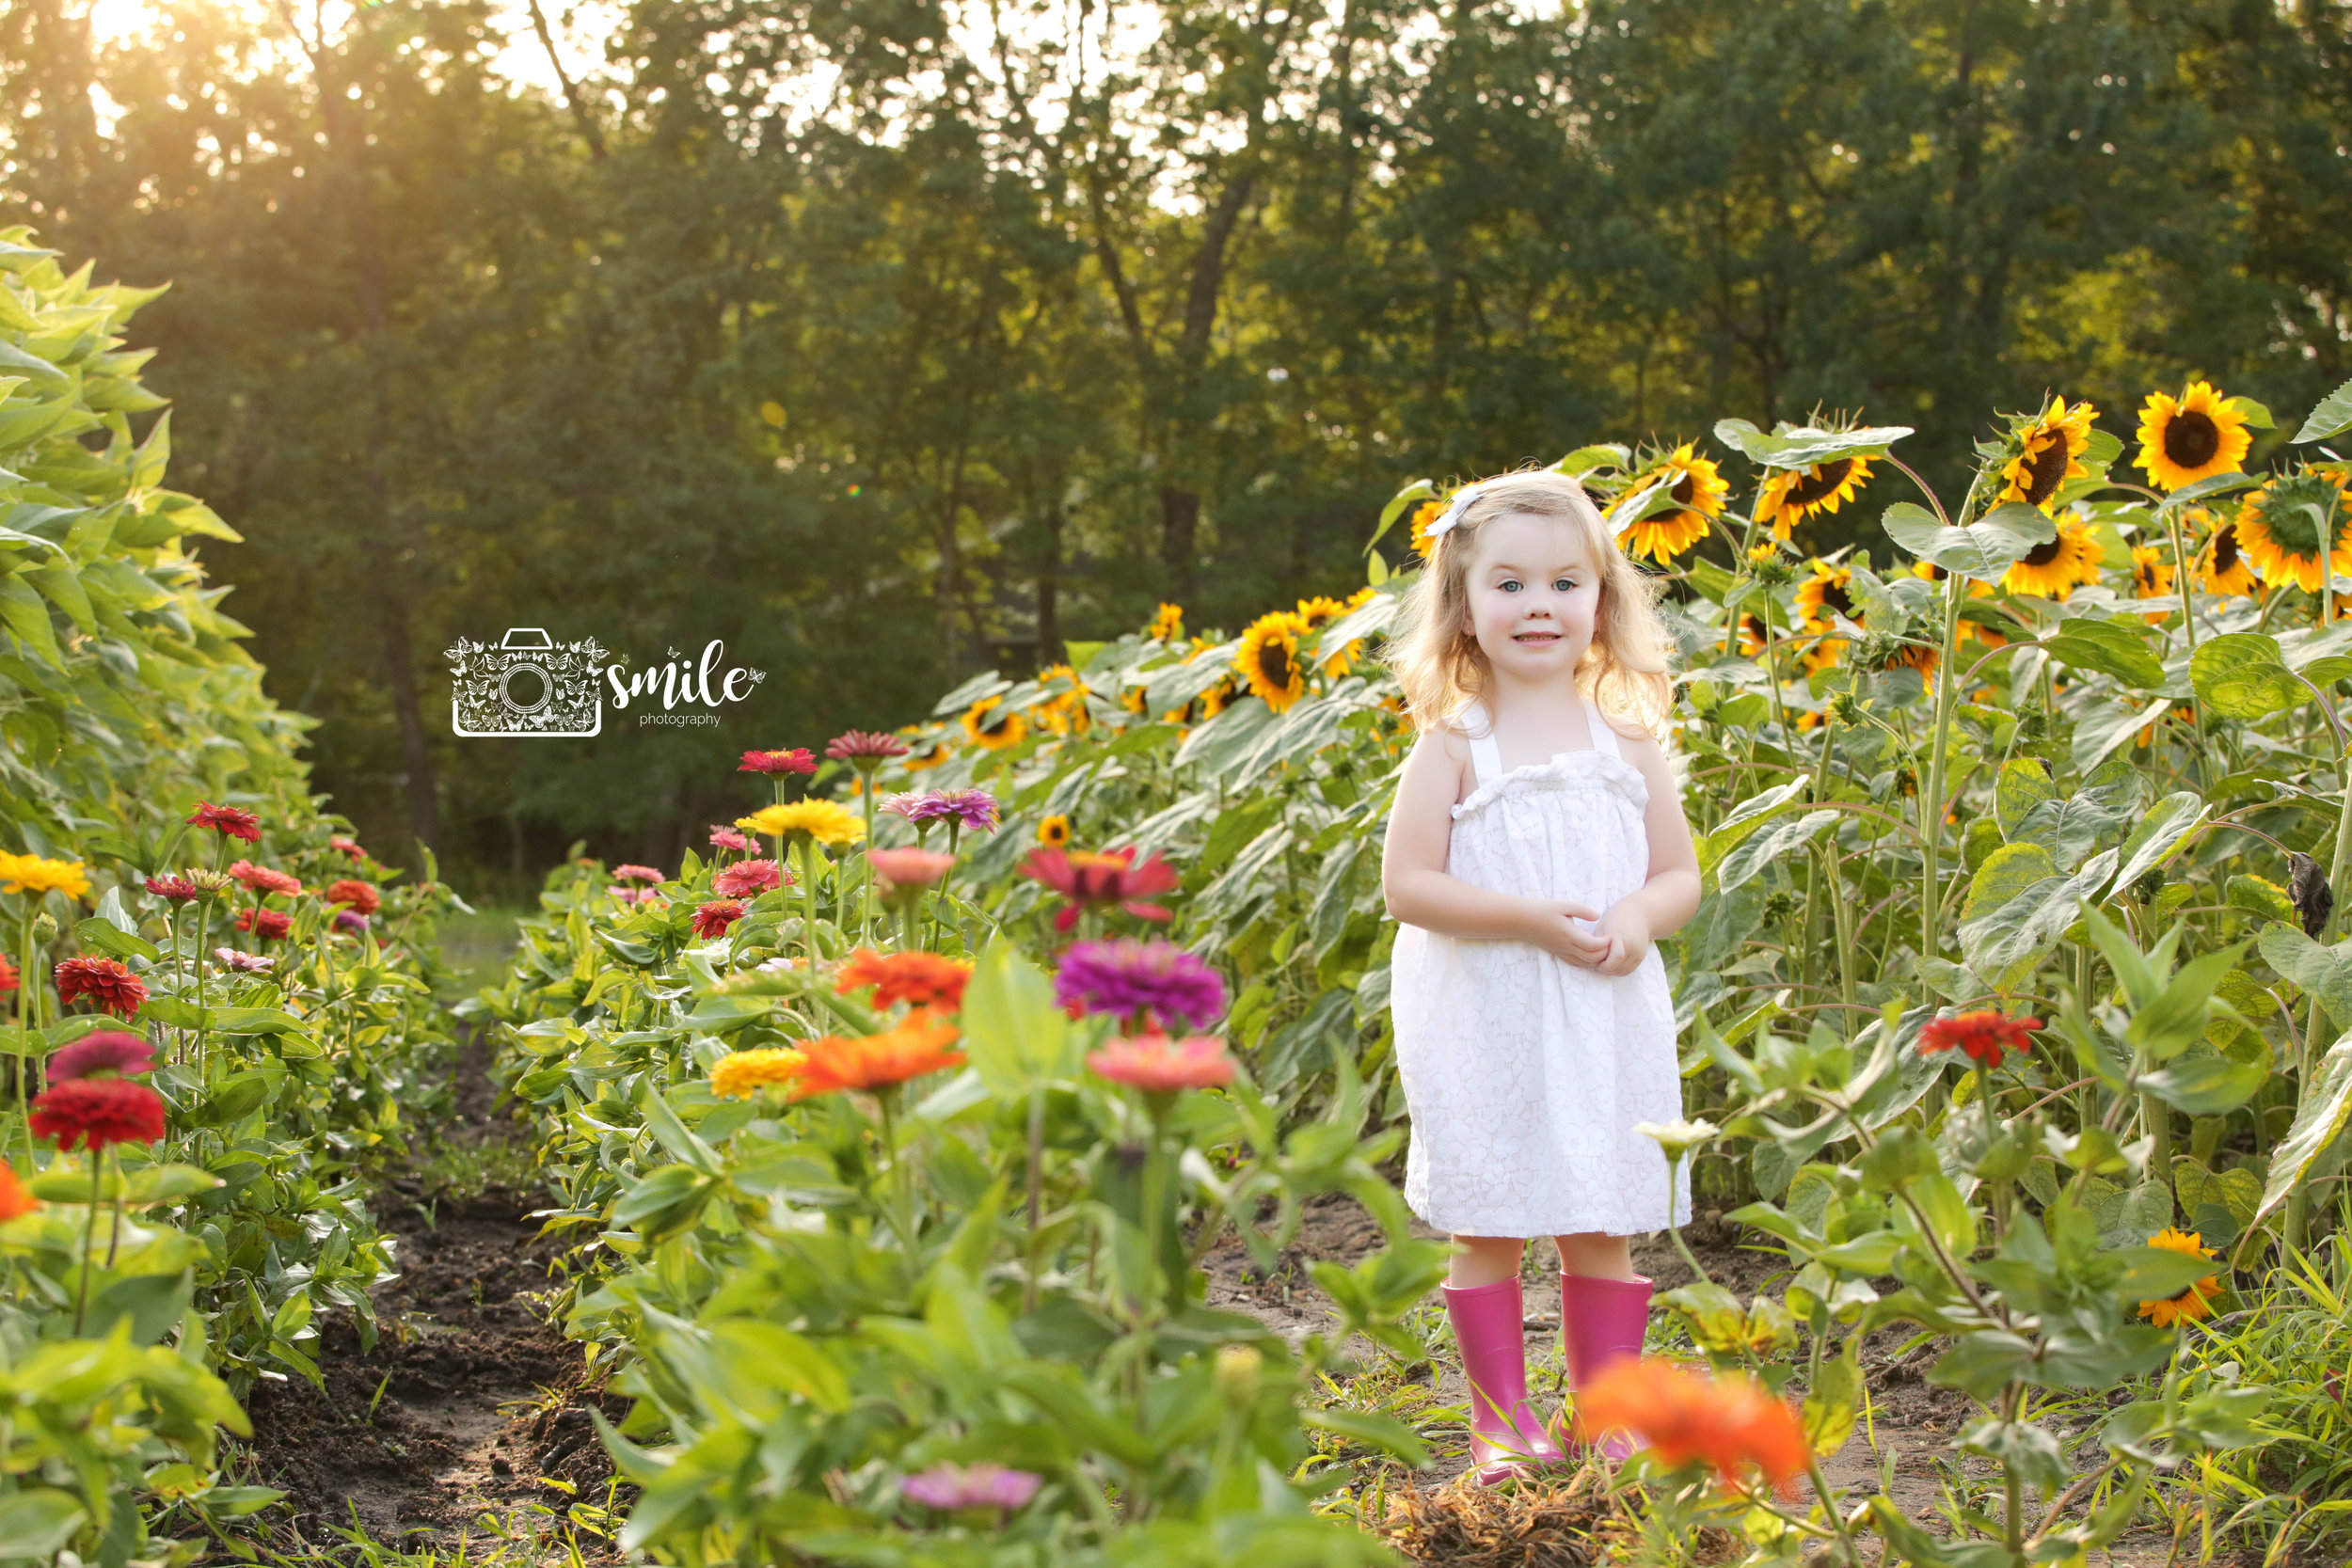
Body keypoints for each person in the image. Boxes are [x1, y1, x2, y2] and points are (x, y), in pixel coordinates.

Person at [1380, 467, 1701, 1484]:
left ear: (1600, 601)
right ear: (1463, 611)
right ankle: (1501, 1428)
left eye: (1565, 582)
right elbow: (1407, 885)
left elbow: (1678, 874)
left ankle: (1609, 1419)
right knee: (1491, 1216)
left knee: (1598, 1215)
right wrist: (1525, 916)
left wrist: (1637, 919)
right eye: (1509, 584)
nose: (1538, 605)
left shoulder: (1629, 739)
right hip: (1489, 1015)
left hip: (1601, 1011)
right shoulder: (1453, 745)